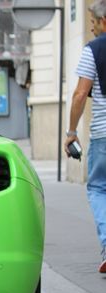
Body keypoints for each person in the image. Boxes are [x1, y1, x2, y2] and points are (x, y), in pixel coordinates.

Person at [65, 0, 106, 273]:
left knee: (99, 188)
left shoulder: (93, 50)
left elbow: (81, 93)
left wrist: (71, 132)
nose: (92, 29)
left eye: (94, 23)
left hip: (104, 134)